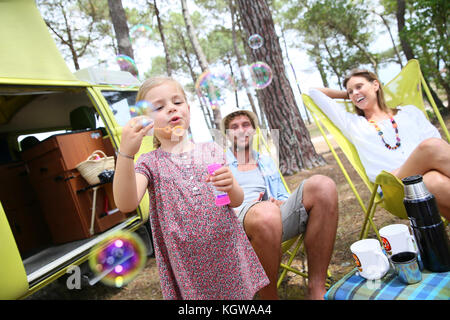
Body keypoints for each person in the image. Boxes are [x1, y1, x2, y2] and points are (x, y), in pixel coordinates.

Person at [112, 76, 269, 299]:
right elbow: (126, 202)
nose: (170, 109)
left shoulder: (212, 150)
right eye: (159, 106)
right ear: (146, 122)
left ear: (188, 108)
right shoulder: (149, 162)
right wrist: (126, 154)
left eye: (177, 102)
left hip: (227, 250)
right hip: (187, 261)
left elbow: (234, 200)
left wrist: (231, 185)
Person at [221, 109, 339, 300]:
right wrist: (252, 207)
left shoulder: (265, 161)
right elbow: (214, 205)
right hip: (238, 226)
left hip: (272, 217)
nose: (241, 130)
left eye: (246, 125)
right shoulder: (219, 164)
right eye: (234, 127)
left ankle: (316, 289)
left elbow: (282, 195)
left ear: (254, 130)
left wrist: (278, 202)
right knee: (264, 212)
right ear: (227, 135)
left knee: (323, 186)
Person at [308, 68, 450, 220]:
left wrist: (359, 92)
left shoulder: (409, 112)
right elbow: (314, 92)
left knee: (433, 181)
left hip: (424, 176)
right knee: (431, 146)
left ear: (375, 85)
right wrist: (354, 95)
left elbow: (436, 141)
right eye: (350, 91)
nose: (354, 93)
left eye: (359, 86)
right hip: (393, 185)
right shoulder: (353, 124)